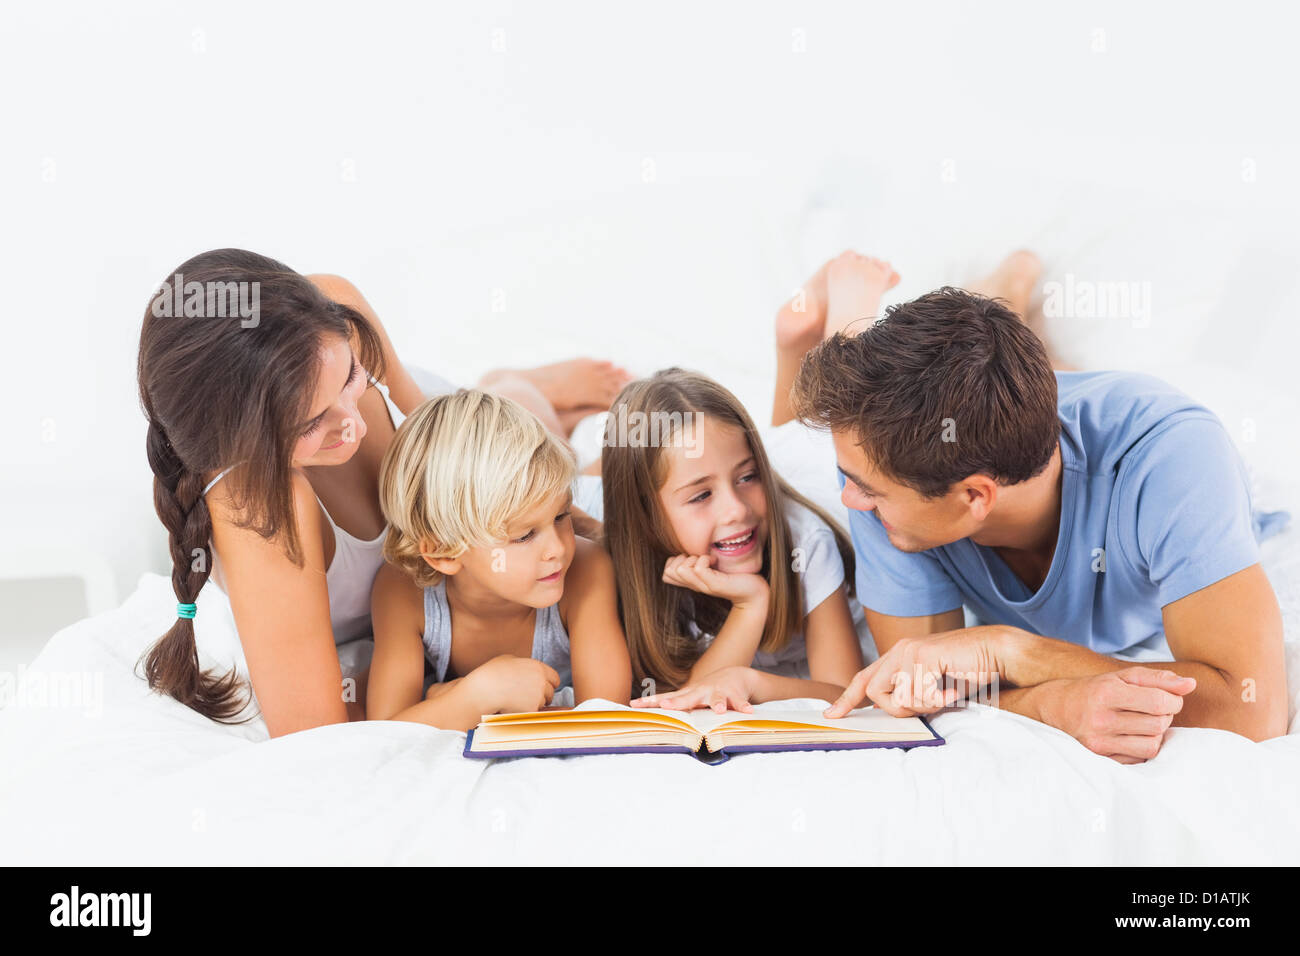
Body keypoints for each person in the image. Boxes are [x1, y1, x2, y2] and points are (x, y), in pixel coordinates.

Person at [783, 250, 1288, 763]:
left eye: (867, 490)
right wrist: (1047, 703)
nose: (849, 500)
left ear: (975, 496)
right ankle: (1006, 298)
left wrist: (1009, 649)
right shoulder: (879, 467)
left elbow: (1253, 711)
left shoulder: (1173, 459)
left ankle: (1010, 292)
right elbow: (920, 696)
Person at [136, 248, 630, 737]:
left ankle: (515, 387)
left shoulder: (332, 308)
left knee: (532, 427)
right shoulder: (256, 507)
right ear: (241, 445)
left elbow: (450, 433)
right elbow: (317, 737)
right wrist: (465, 697)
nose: (352, 426)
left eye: (350, 376)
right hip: (443, 590)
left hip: (465, 453)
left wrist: (570, 526)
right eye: (311, 423)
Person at [601, 368, 866, 713]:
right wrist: (751, 605)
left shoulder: (806, 541)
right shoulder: (619, 556)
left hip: (812, 468)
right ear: (645, 517)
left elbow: (847, 695)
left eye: (748, 476)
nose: (736, 510)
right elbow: (688, 701)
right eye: (701, 496)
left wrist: (754, 682)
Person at [366, 390, 631, 730]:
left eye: (562, 516)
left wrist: (451, 700)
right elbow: (386, 729)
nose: (558, 549)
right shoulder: (402, 590)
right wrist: (479, 696)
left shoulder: (587, 567)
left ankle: (531, 390)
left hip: (598, 501)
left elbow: (607, 716)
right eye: (524, 536)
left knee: (592, 463)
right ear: (444, 552)